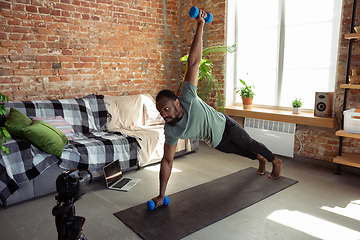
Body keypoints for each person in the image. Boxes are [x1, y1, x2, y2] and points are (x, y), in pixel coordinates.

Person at [151, 9, 282, 209]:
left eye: (166, 109)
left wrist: (200, 24)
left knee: (250, 143)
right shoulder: (171, 130)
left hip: (226, 126)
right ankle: (260, 160)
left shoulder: (187, 96)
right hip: (217, 141)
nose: (164, 114)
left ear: (176, 102)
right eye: (161, 112)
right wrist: (161, 195)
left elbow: (194, 63)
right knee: (241, 152)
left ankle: (275, 161)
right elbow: (167, 162)